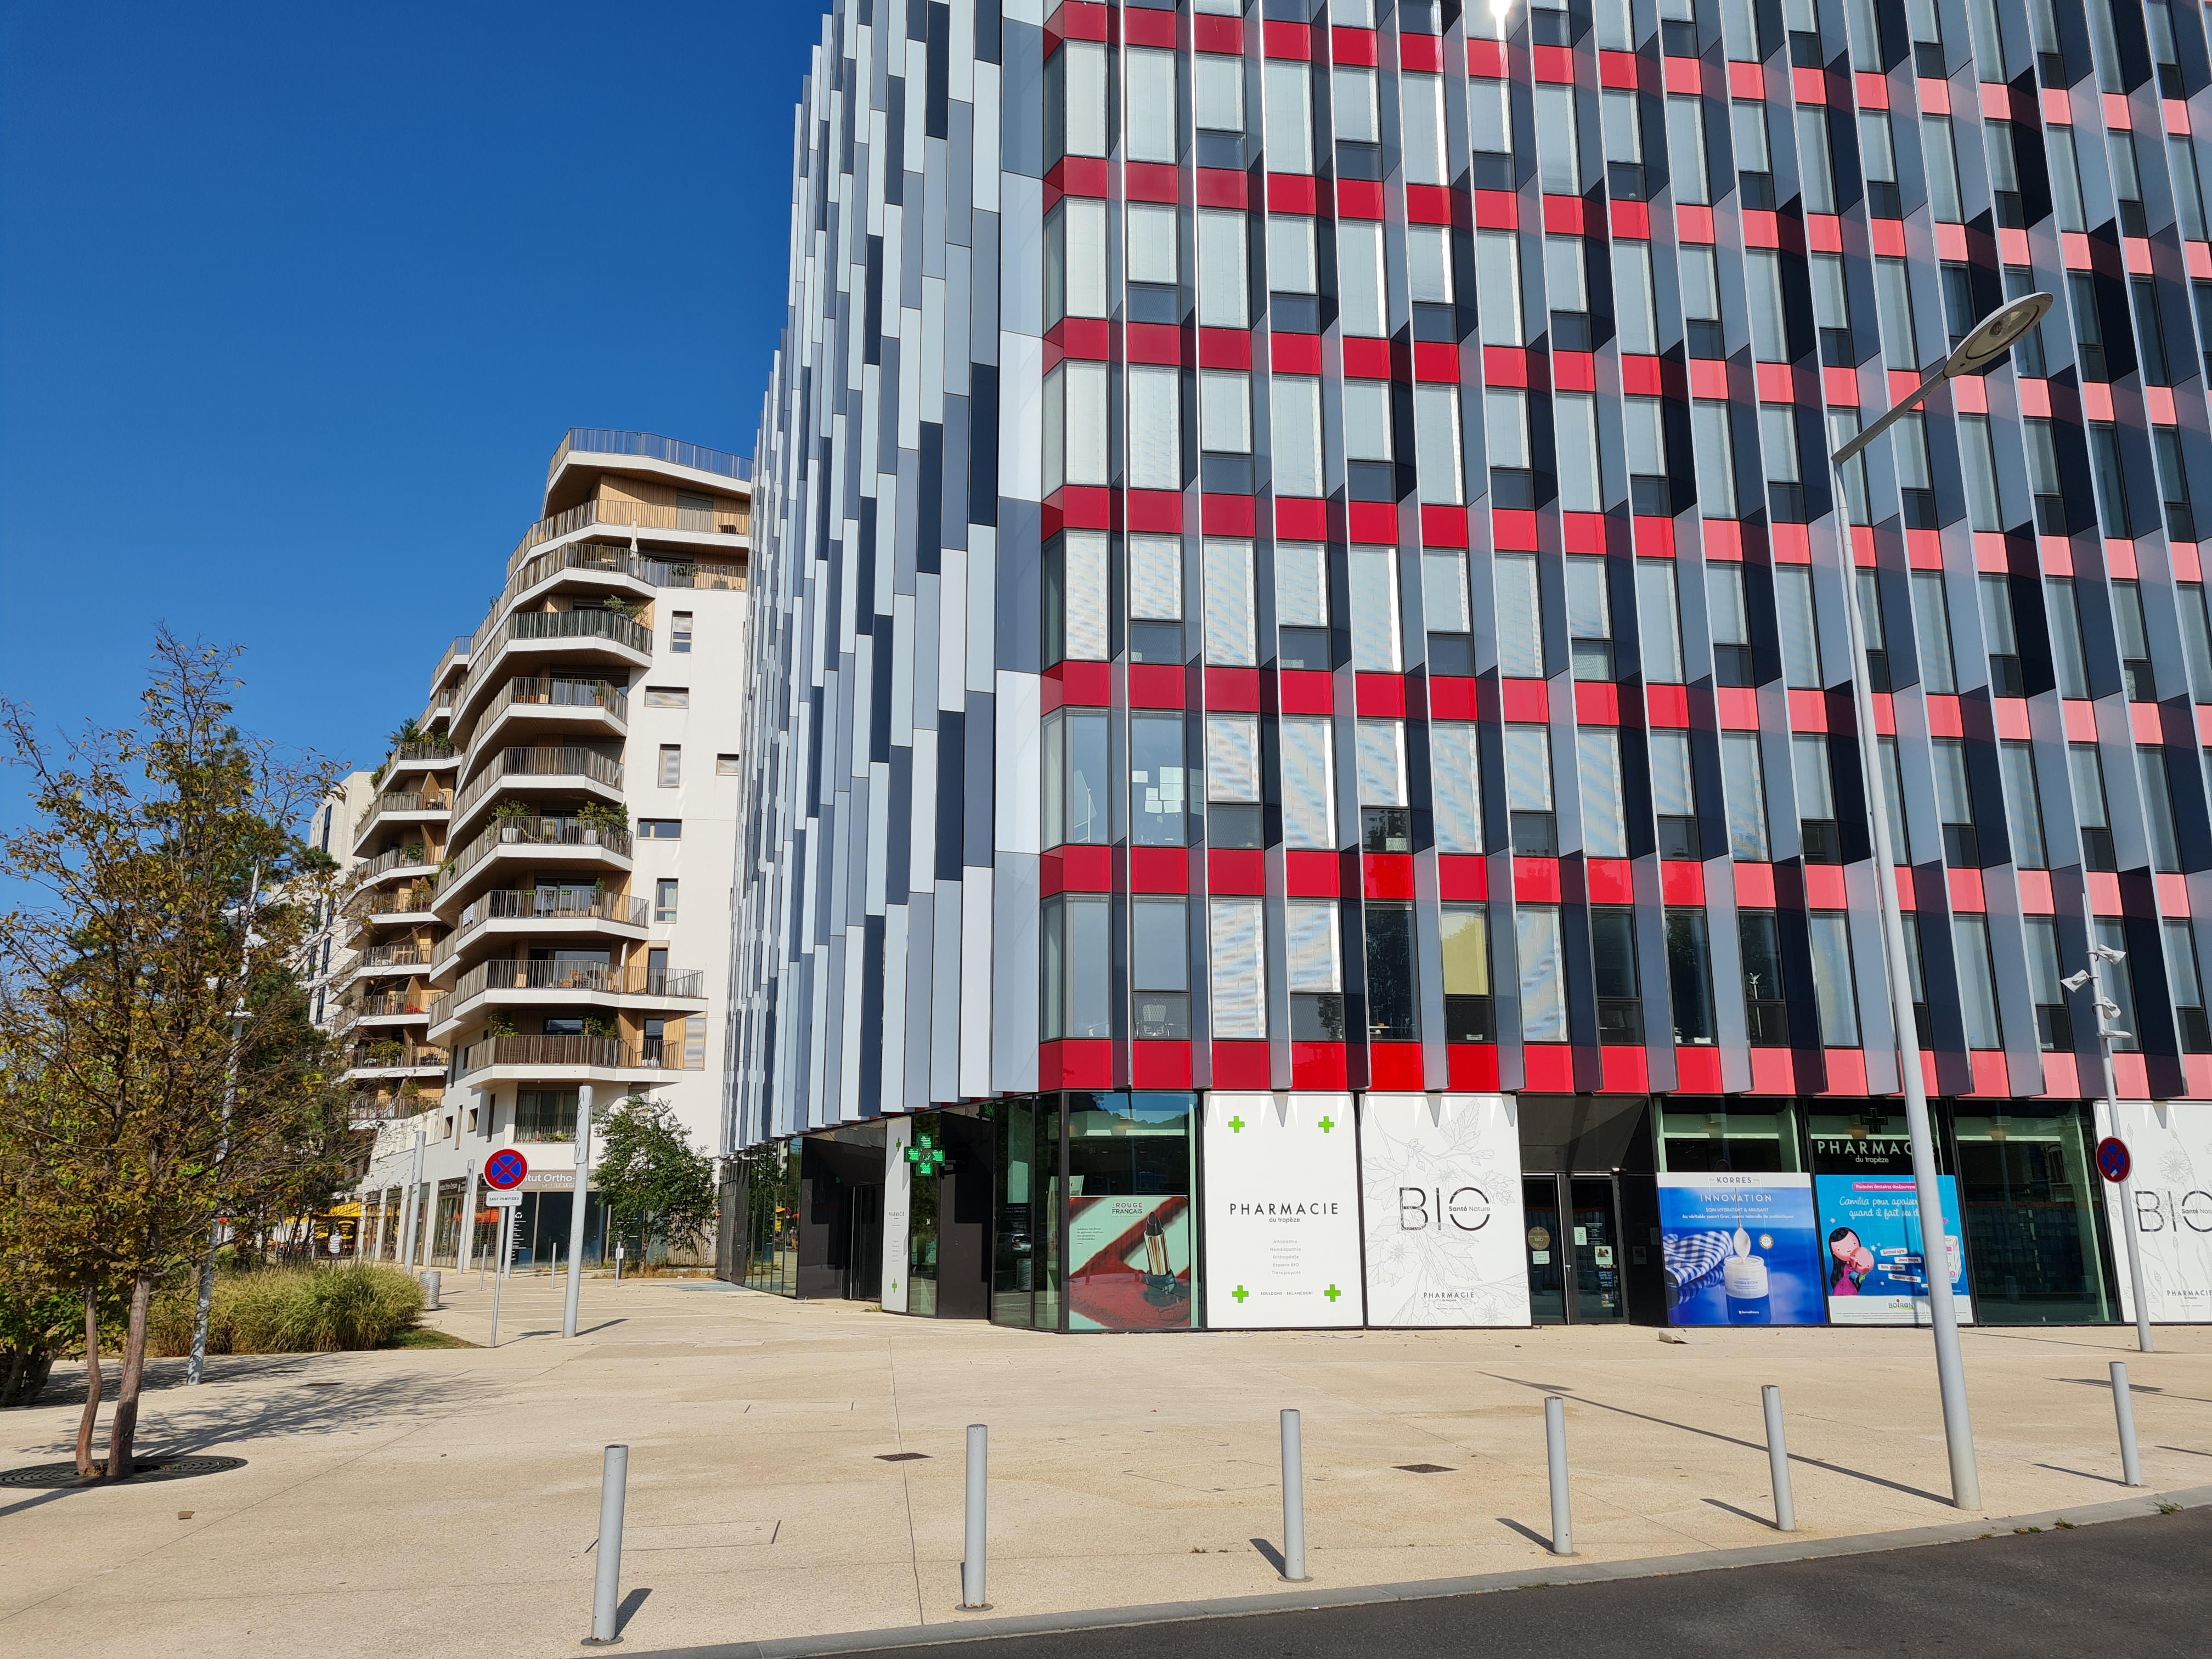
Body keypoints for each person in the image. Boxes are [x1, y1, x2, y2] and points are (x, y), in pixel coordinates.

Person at [1828, 1226, 1874, 1294]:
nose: (1848, 1249)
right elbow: (1851, 1270)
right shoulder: (1847, 1267)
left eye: (1854, 1243)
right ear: (1834, 1253)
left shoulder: (1854, 1264)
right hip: (1845, 1284)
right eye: (1840, 1248)